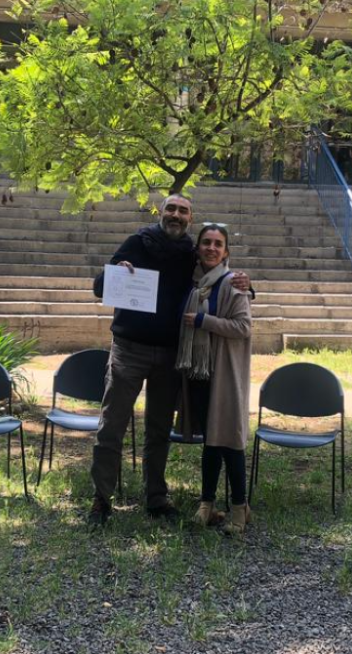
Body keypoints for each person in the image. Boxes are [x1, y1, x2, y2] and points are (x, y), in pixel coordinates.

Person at [89, 194, 251, 526]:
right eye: (171, 209)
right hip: (129, 350)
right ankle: (101, 499)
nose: (176, 215)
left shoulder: (189, 254)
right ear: (160, 212)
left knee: (158, 430)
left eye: (183, 211)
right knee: (112, 426)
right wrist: (115, 274)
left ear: (190, 218)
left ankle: (156, 498)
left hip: (169, 355)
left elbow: (215, 275)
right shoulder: (137, 242)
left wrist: (247, 284)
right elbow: (99, 287)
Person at [176, 224, 252, 536]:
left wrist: (205, 321)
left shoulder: (233, 284)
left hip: (224, 372)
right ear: (198, 248)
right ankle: (206, 504)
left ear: (226, 252)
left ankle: (239, 507)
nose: (211, 248)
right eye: (206, 242)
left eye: (218, 244)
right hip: (198, 373)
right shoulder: (193, 283)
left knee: (231, 442)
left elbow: (243, 327)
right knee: (211, 441)